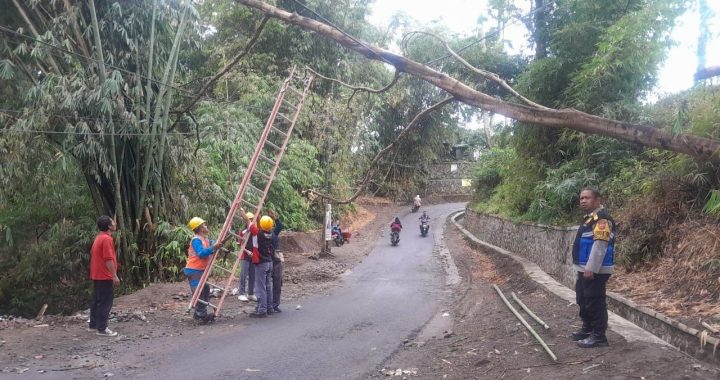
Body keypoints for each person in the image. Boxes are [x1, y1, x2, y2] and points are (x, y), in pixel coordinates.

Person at [571, 188, 615, 348]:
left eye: (587, 198)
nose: (583, 200)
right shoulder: (589, 220)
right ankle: (587, 329)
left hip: (596, 270)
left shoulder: (602, 219)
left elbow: (600, 246)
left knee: (595, 301)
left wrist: (591, 268)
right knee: (583, 299)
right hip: (584, 268)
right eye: (581, 198)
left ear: (597, 200)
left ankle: (599, 336)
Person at [185, 217, 223, 322]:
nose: (206, 226)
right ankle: (201, 314)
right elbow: (201, 254)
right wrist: (214, 247)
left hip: (199, 270)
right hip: (194, 270)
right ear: (201, 228)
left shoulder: (205, 240)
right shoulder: (196, 240)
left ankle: (199, 312)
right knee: (199, 292)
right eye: (204, 225)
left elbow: (211, 246)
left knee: (205, 289)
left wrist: (215, 245)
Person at [89, 215, 120, 337]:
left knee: (97, 300)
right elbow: (108, 259)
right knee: (106, 302)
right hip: (104, 274)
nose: (115, 224)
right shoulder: (107, 239)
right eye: (113, 222)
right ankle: (102, 328)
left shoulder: (99, 237)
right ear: (109, 226)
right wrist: (114, 275)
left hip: (97, 273)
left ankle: (94, 324)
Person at [250, 215, 275, 318]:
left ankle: (262, 310)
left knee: (260, 287)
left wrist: (242, 213)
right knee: (268, 286)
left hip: (261, 263)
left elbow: (250, 226)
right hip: (269, 262)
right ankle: (269, 308)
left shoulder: (259, 234)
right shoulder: (271, 234)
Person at [236, 211, 257, 302]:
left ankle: (251, 293)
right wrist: (247, 251)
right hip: (245, 255)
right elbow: (239, 245)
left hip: (253, 256)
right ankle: (241, 293)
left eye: (252, 219)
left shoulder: (254, 230)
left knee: (253, 275)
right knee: (243, 275)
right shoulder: (242, 232)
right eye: (250, 219)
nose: (251, 221)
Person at [268, 209, 284, 313]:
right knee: (269, 284)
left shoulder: (273, 232)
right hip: (270, 261)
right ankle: (270, 305)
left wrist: (275, 217)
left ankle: (273, 305)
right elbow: (280, 226)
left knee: (276, 284)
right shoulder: (263, 233)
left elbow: (280, 226)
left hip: (274, 261)